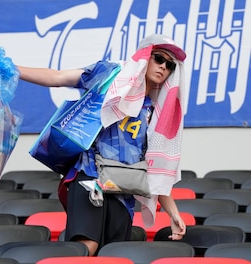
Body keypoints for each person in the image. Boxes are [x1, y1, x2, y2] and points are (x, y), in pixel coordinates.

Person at [17, 34, 187, 256]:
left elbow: (156, 169)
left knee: (113, 254)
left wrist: (173, 213)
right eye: (159, 59)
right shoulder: (110, 76)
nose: (164, 67)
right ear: (145, 57)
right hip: (91, 177)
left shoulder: (156, 111)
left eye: (170, 65)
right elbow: (57, 77)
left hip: (123, 189)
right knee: (87, 247)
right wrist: (14, 70)